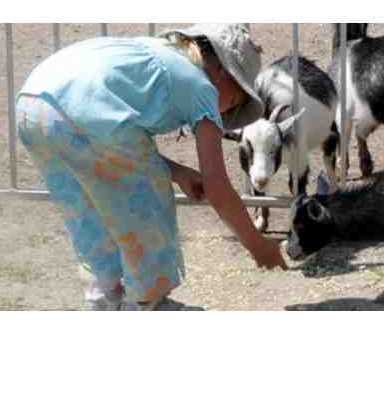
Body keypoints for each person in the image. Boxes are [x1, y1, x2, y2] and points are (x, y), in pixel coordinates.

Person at [16, 23, 288, 311]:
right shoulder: (202, 87)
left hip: (33, 106)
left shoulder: (158, 53)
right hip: (87, 118)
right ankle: (147, 302)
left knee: (87, 210)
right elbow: (218, 185)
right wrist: (256, 244)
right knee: (147, 198)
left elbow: (114, 147)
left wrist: (179, 172)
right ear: (224, 73)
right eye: (235, 100)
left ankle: (104, 297)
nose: (227, 111)